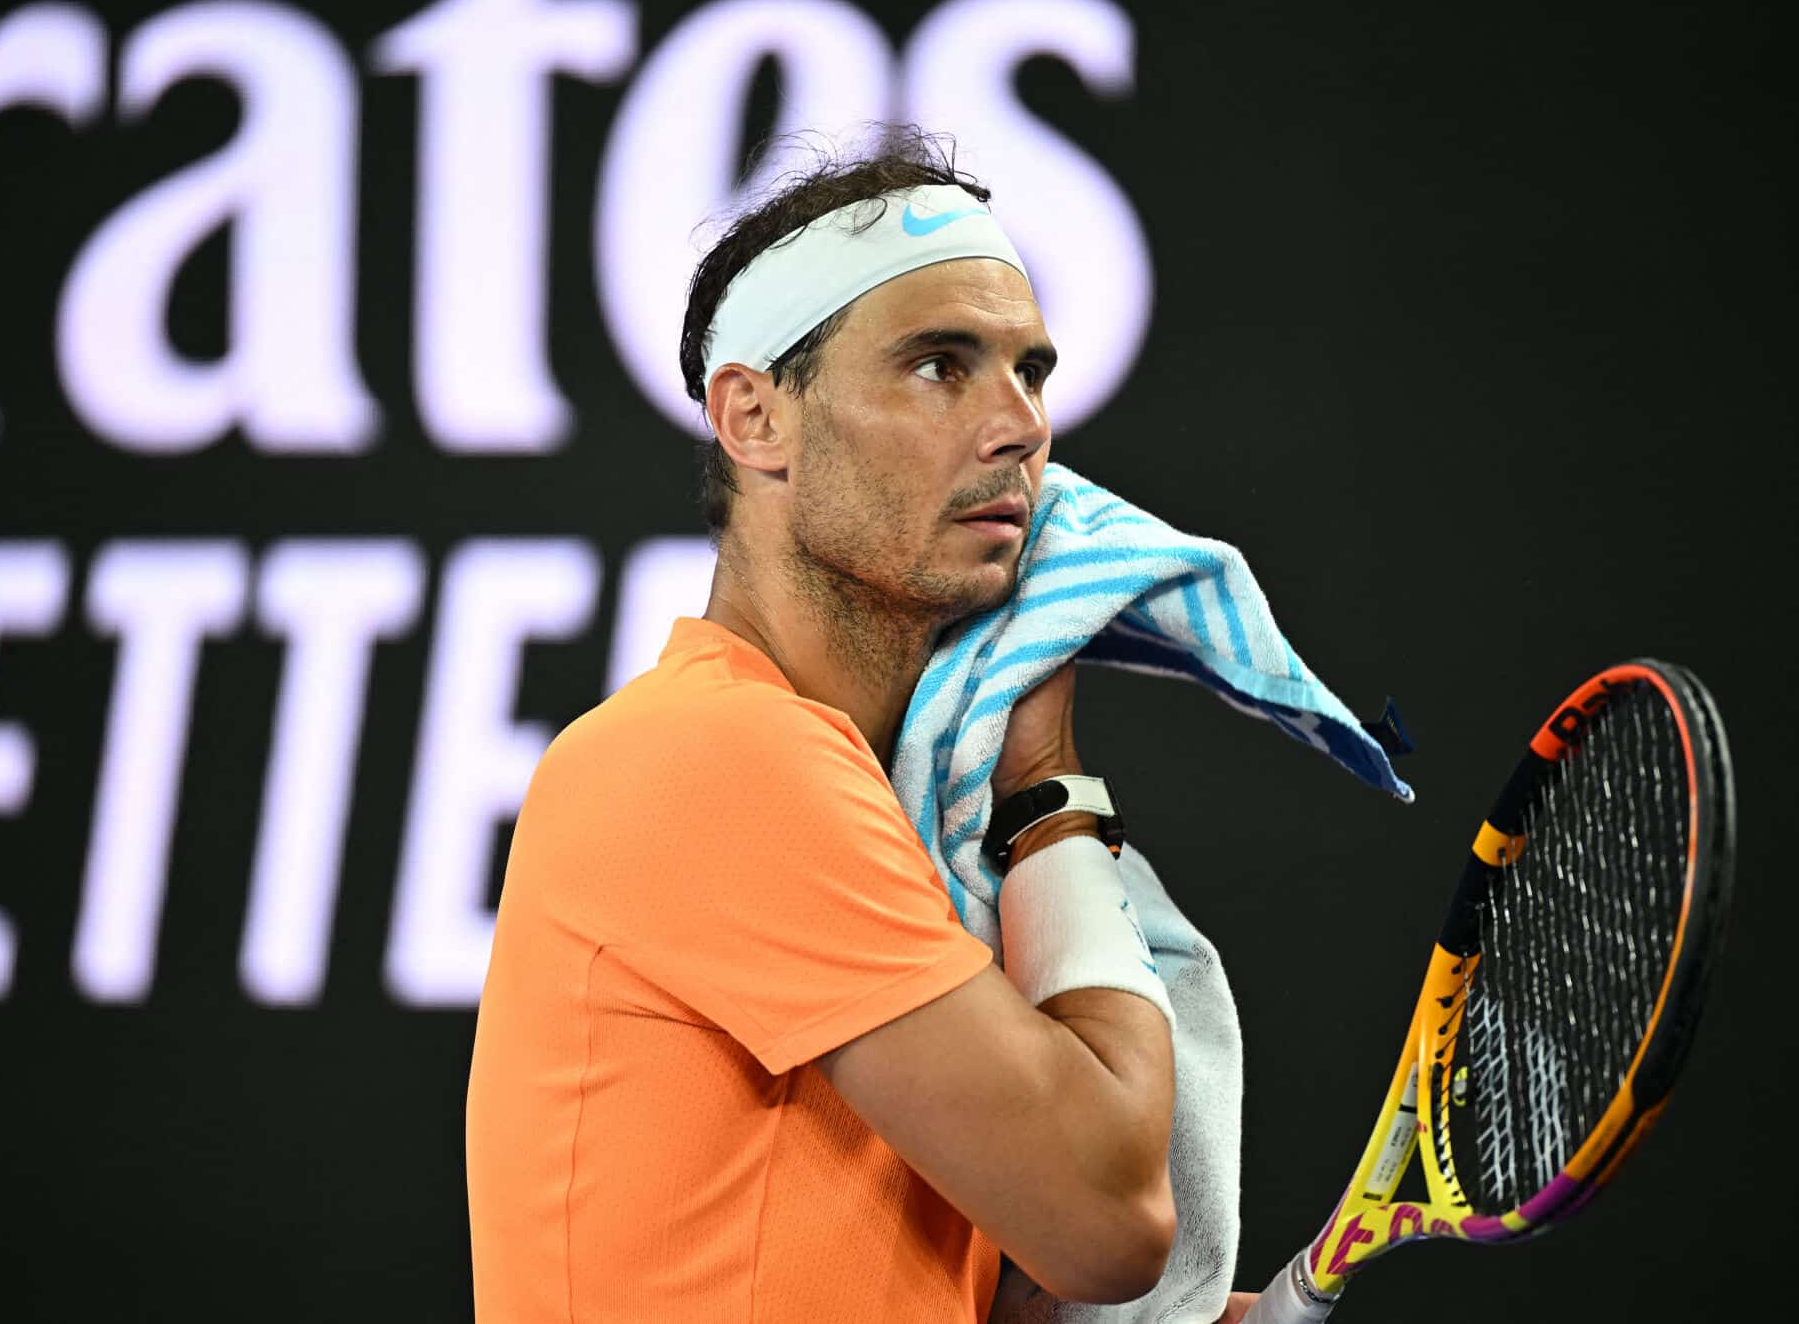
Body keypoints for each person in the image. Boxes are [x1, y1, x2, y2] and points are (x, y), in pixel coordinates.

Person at [464, 129, 1257, 1323]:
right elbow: (1109, 1223)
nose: (1018, 426)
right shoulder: (719, 756)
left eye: (1028, 373)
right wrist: (1046, 794)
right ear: (755, 419)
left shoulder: (870, 809)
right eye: (939, 366)